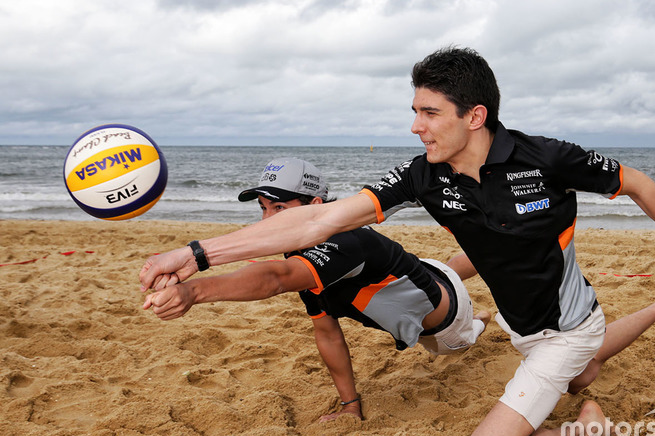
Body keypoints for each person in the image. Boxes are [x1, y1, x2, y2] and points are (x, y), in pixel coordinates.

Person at [140, 47, 655, 436]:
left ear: (474, 116)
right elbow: (319, 219)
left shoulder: (546, 157)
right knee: (580, 367)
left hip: (566, 322)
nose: (416, 126)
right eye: (414, 111)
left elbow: (637, 182)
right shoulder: (422, 176)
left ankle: (586, 430)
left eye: (429, 113)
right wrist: (197, 254)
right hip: (519, 321)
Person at [141, 157, 490, 422]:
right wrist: (350, 406)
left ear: (315, 207)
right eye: (264, 209)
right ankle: (495, 251)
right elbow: (327, 331)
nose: (268, 220)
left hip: (447, 327)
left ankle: (485, 313)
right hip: (421, 273)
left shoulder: (343, 244)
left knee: (468, 322)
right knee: (452, 266)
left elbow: (276, 278)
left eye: (279, 208)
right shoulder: (305, 254)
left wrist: (193, 292)